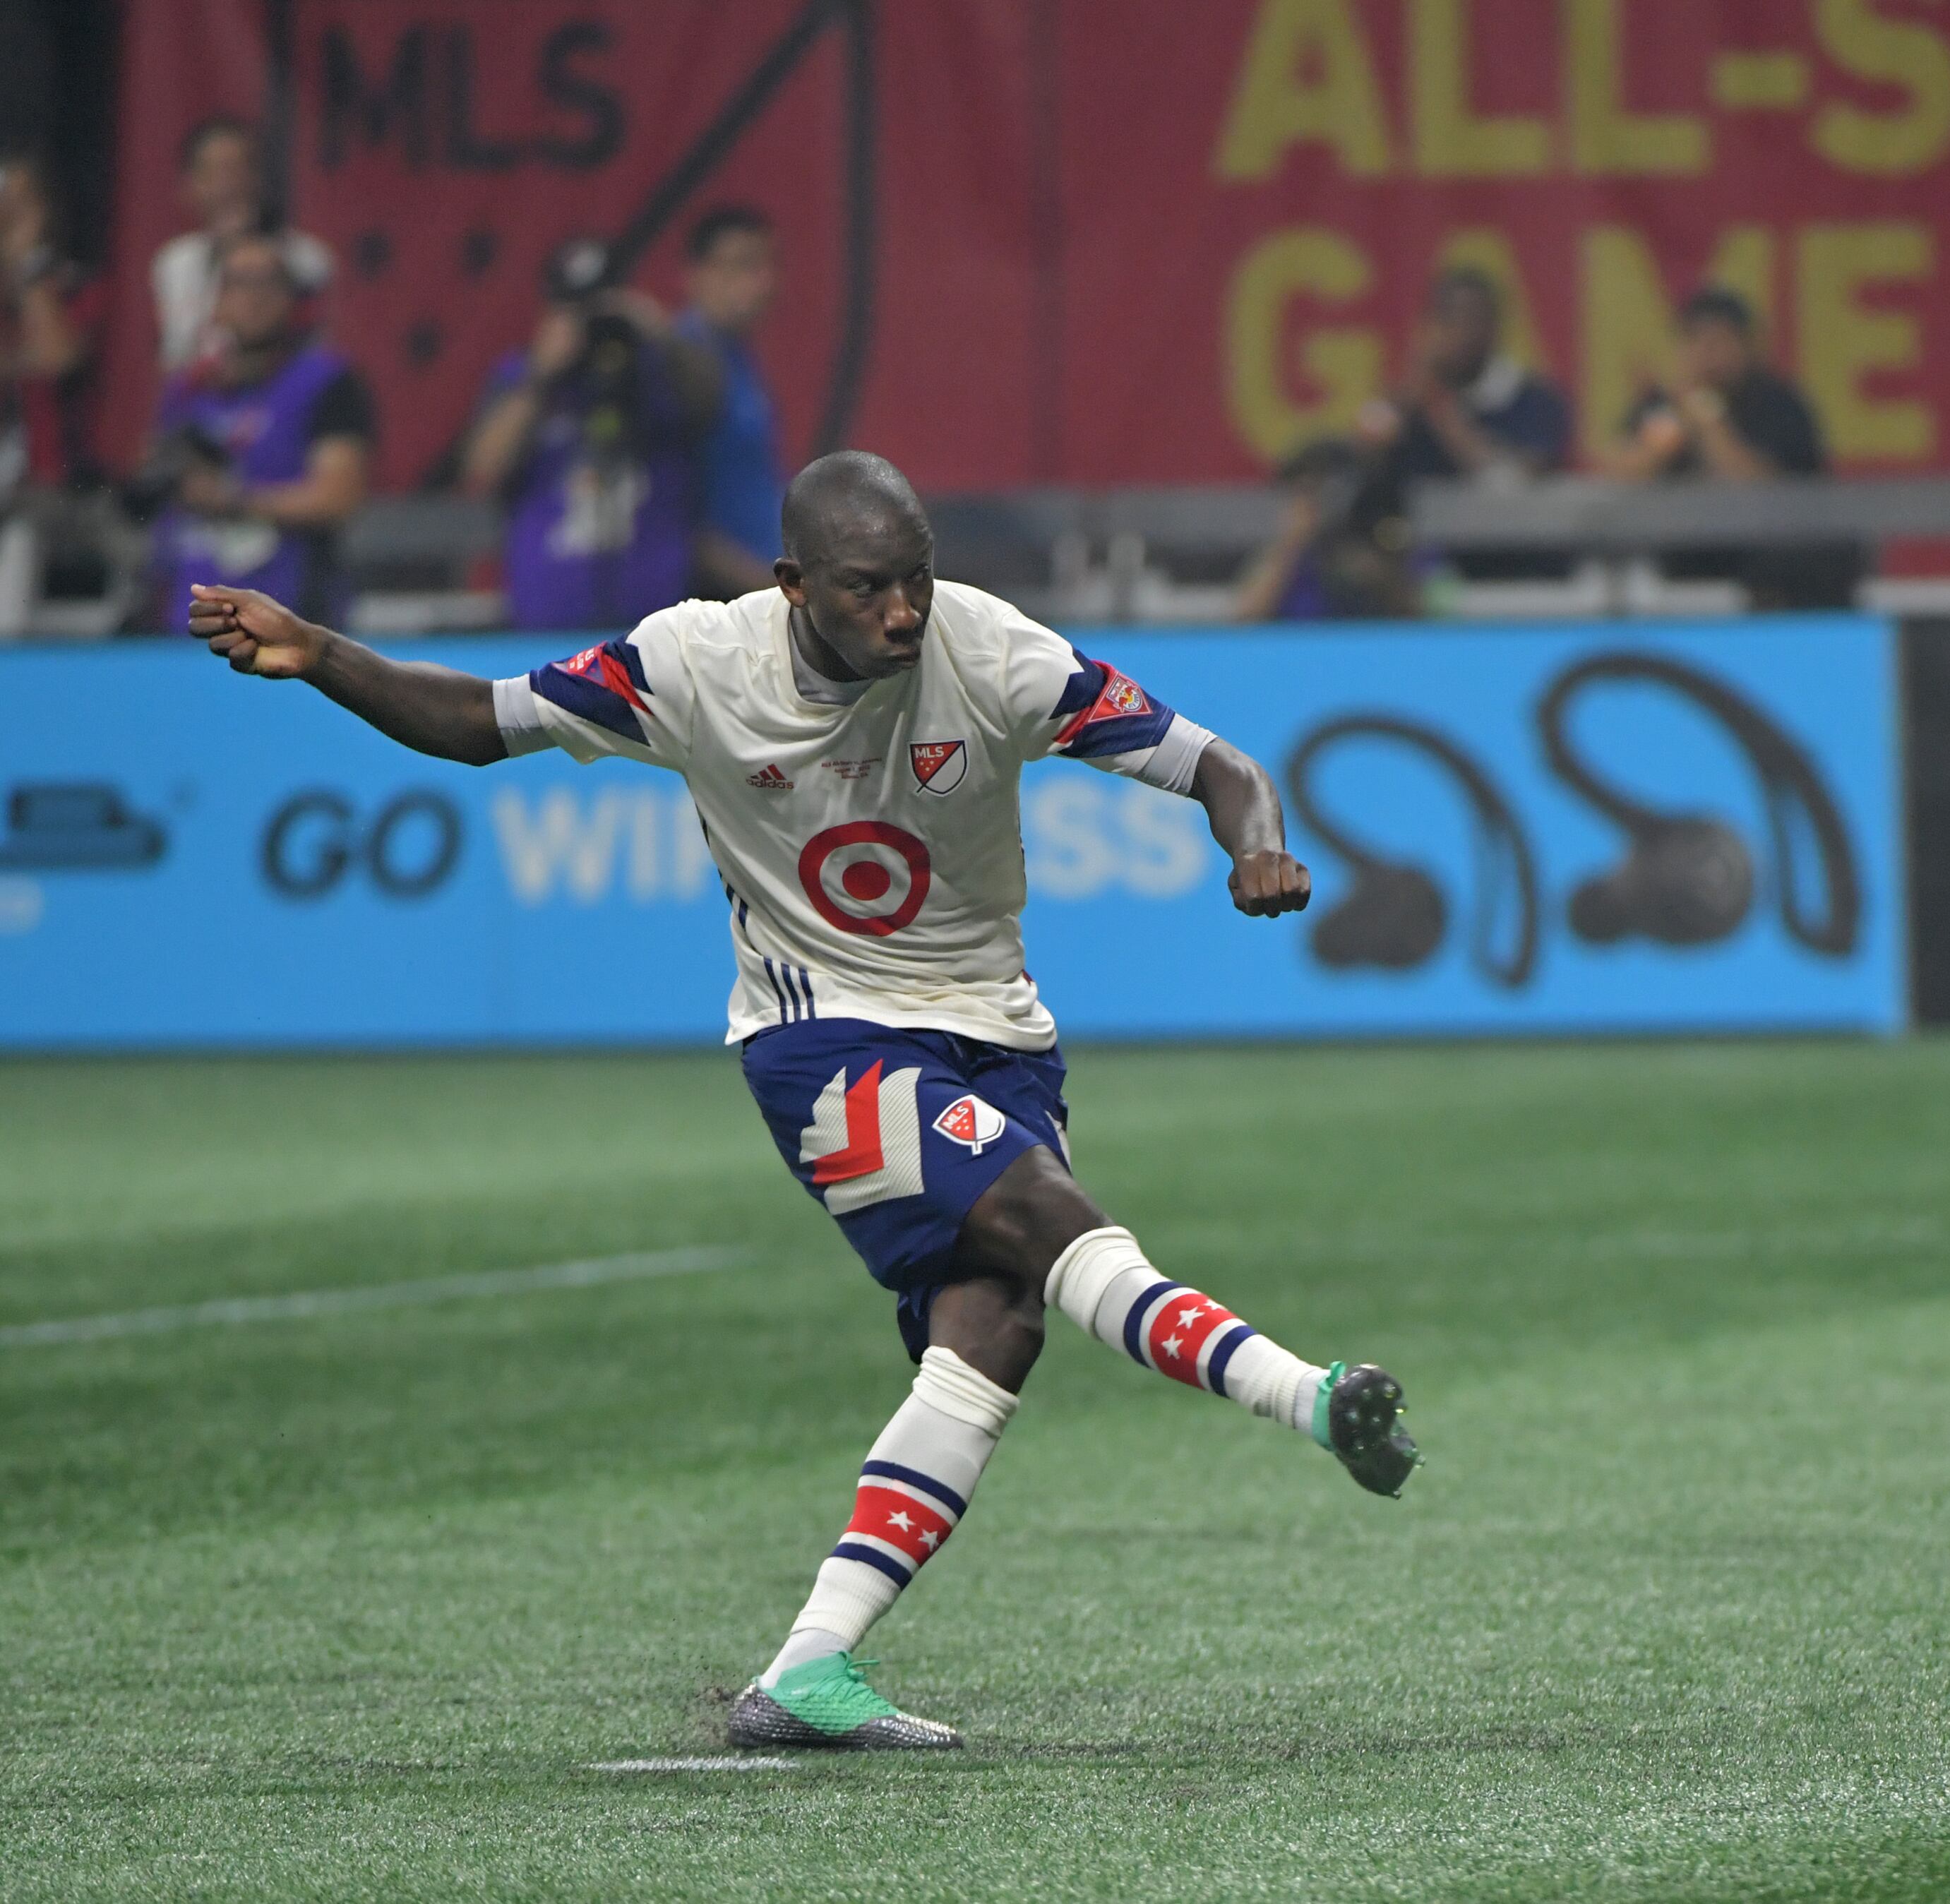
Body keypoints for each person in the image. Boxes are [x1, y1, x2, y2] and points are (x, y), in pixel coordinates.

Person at [187, 450, 1422, 1752]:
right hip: (819, 1038)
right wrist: (320, 650)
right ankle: (1313, 1396)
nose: (903, 610)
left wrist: (1260, 843)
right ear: (792, 587)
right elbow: (480, 721)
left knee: (995, 1327)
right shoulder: (691, 664)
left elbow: (1218, 764)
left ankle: (808, 1670)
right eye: (868, 586)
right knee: (1050, 1219)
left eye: (917, 579)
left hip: (997, 1039)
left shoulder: (993, 650)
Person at [461, 236, 722, 631]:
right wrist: (540, 376)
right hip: (548, 622)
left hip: (656, 627)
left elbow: (713, 408)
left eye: (601, 308)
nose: (590, 325)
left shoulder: (661, 372)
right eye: (575, 311)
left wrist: (662, 336)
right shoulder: (524, 378)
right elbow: (483, 472)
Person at [142, 231, 373, 633]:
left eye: (268, 283)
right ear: (216, 300)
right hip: (184, 624)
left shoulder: (326, 382)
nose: (253, 298)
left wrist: (231, 500)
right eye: (238, 284)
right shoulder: (188, 388)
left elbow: (338, 497)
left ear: (292, 300)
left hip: (290, 622)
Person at [1602, 288, 1858, 609]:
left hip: (1770, 567)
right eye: (1696, 341)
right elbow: (1623, 474)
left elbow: (1752, 485)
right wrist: (1678, 420)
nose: (1707, 354)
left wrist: (1707, 417)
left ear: (1746, 346)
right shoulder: (1669, 406)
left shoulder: (1776, 402)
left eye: (1719, 342)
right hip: (1685, 561)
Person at [1, 152, 109, 637]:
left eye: (20, 203)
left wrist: (27, 261)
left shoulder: (74, 288)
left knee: (22, 535)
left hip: (58, 494)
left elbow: (52, 358)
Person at [150, 118, 333, 373]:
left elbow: (309, 350)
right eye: (214, 173)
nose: (229, 186)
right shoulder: (176, 262)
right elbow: (177, 359)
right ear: (188, 187)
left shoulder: (307, 258)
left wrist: (249, 243)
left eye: (238, 170)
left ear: (259, 178)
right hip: (205, 404)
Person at [1365, 267, 1571, 484]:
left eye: (1472, 319)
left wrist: (1441, 409)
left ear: (1494, 327)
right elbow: (1365, 465)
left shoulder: (1535, 400)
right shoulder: (1409, 399)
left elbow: (1512, 485)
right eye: (1448, 318)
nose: (1460, 332)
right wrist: (1397, 406)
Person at [676, 205, 788, 598]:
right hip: (720, 604)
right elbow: (671, 514)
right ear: (697, 275)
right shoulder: (682, 368)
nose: (761, 282)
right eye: (742, 266)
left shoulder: (737, 357)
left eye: (764, 266)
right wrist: (764, 589)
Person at [1229, 437, 1422, 621]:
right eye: (1303, 492)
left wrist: (1366, 565)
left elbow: (1410, 613)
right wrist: (1292, 544)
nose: (1313, 504)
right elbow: (1247, 616)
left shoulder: (1366, 549)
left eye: (1321, 492)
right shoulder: (1278, 554)